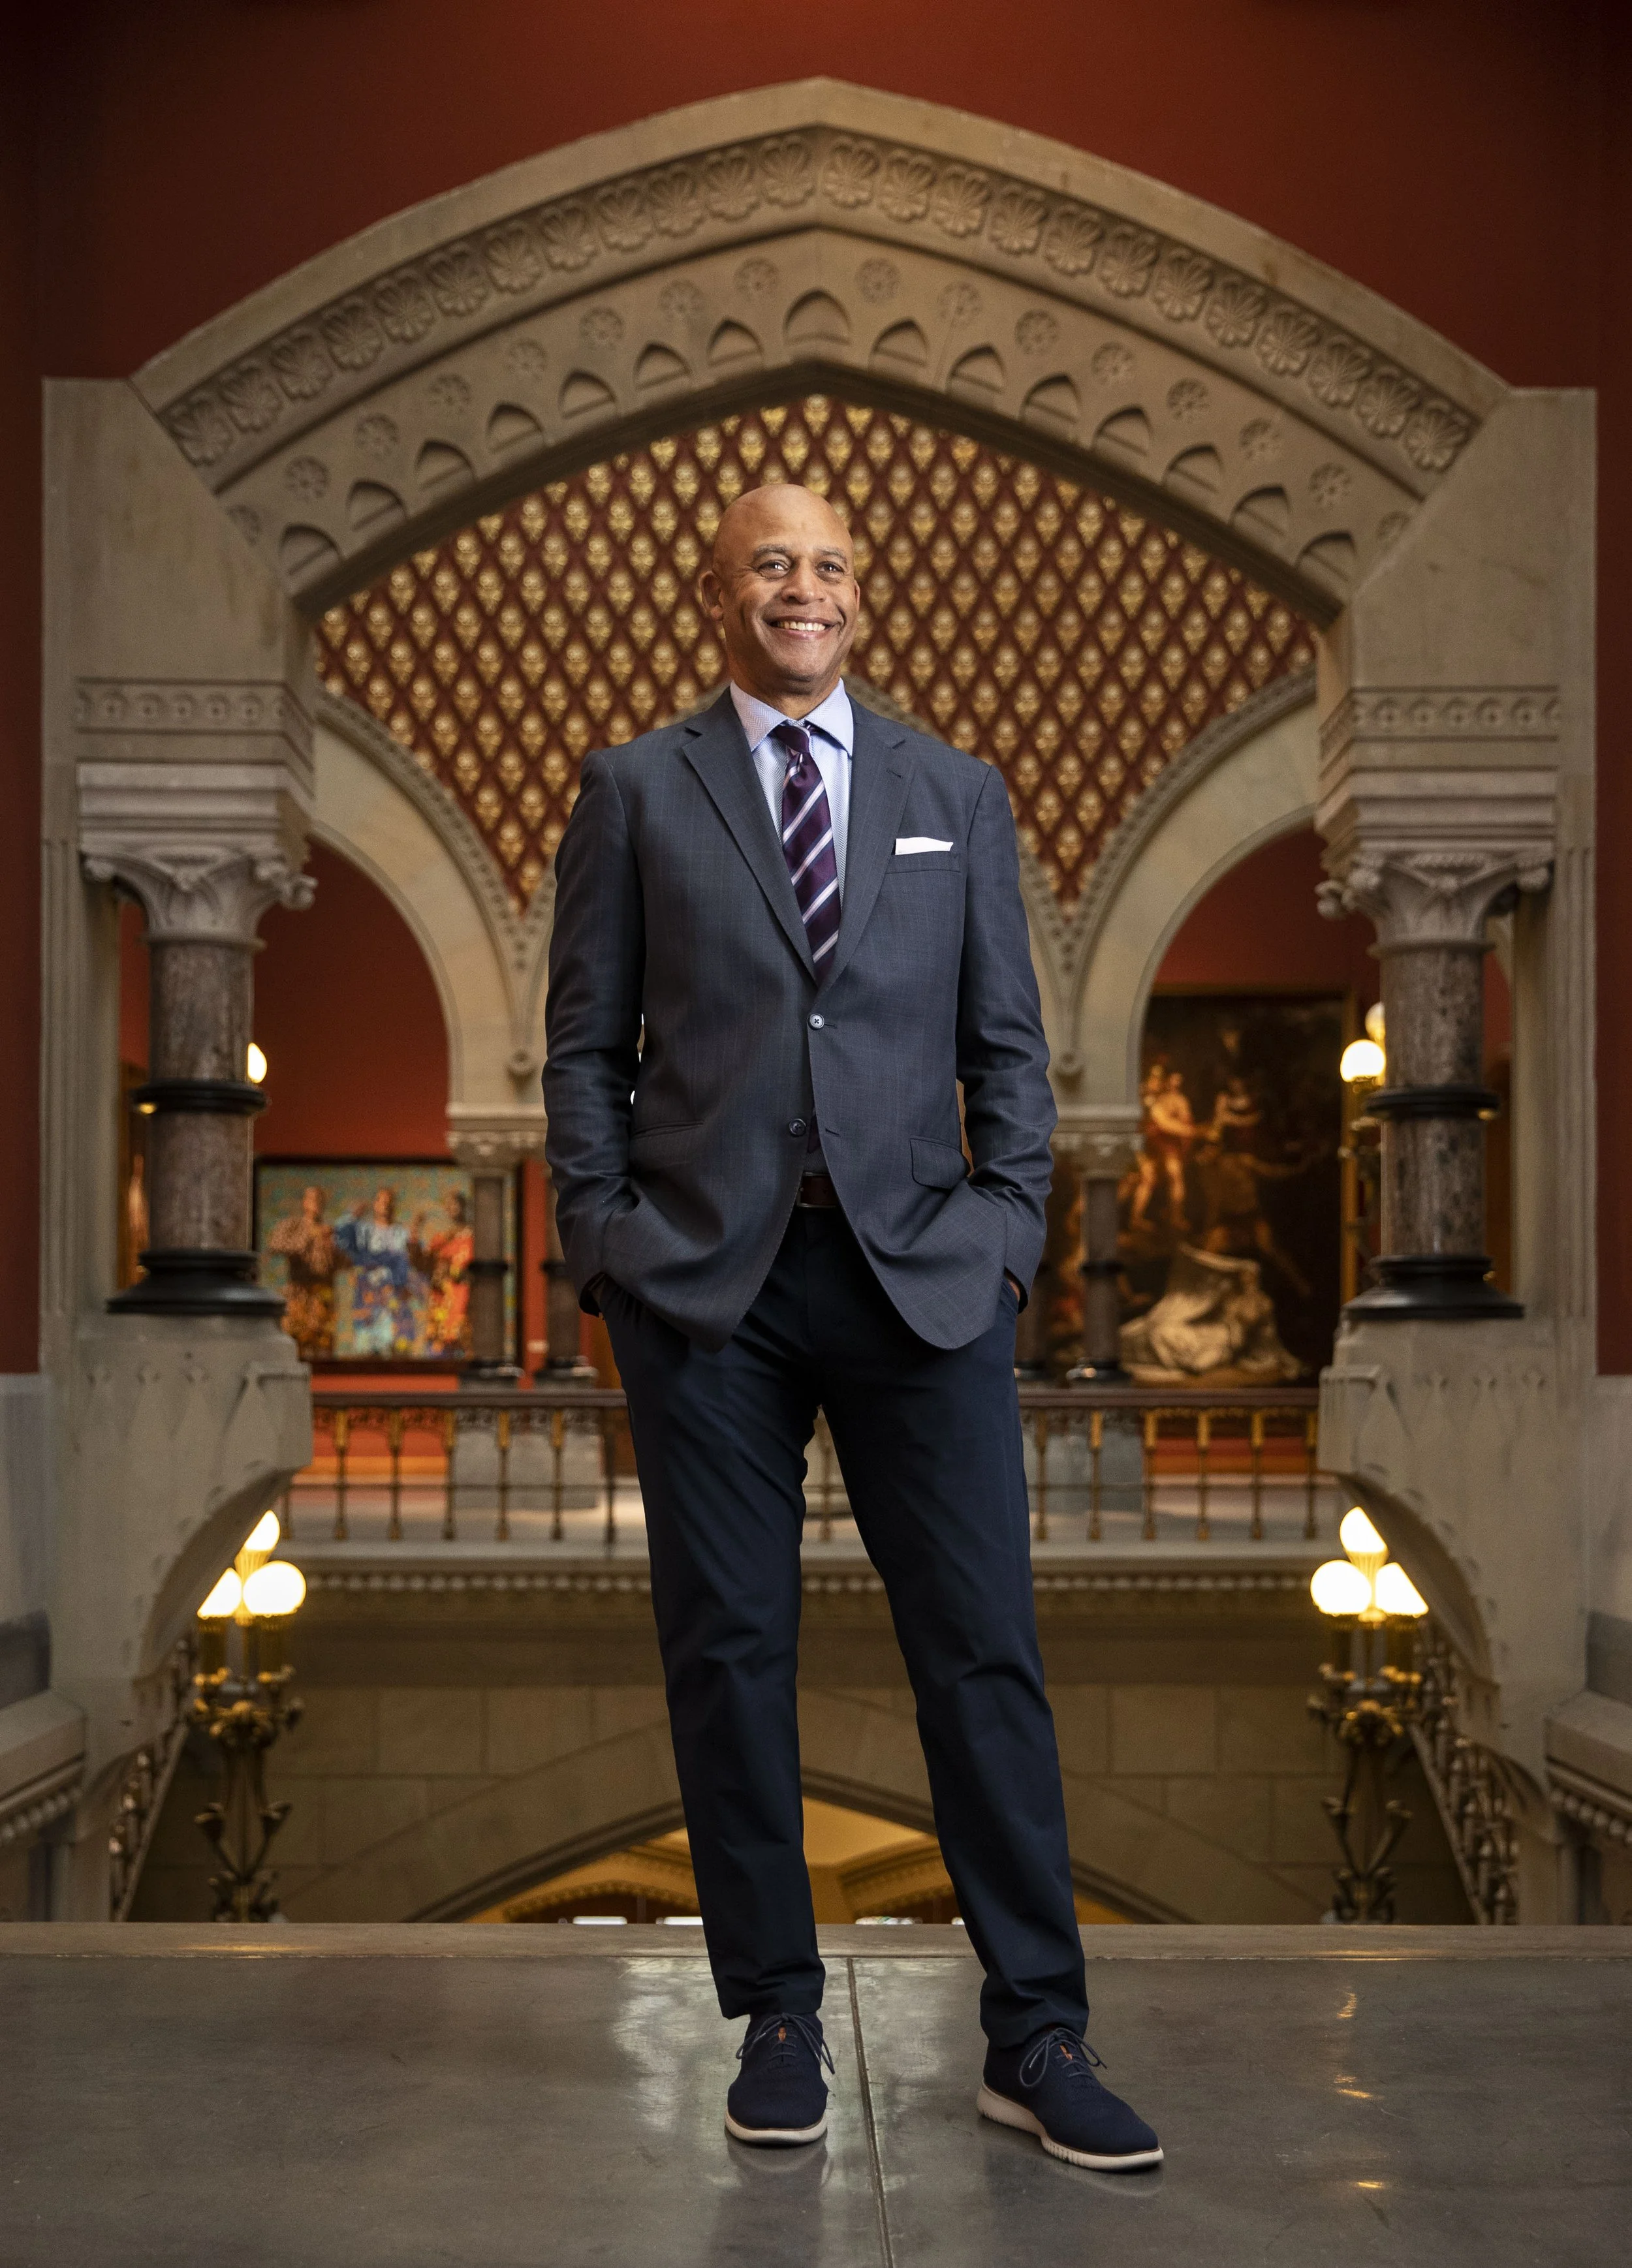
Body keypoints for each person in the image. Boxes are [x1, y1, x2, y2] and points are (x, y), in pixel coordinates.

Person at [544, 482, 1160, 2171]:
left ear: (858, 597)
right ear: (715, 592)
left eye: (825, 562)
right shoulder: (633, 788)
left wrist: (1009, 1234)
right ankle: (777, 2020)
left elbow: (1008, 1048)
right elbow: (584, 1047)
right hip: (707, 1295)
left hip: (921, 1284)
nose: (798, 587)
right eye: (767, 562)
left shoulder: (954, 793)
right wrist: (607, 1249)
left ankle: (1036, 2033)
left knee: (982, 1655)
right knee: (731, 1656)